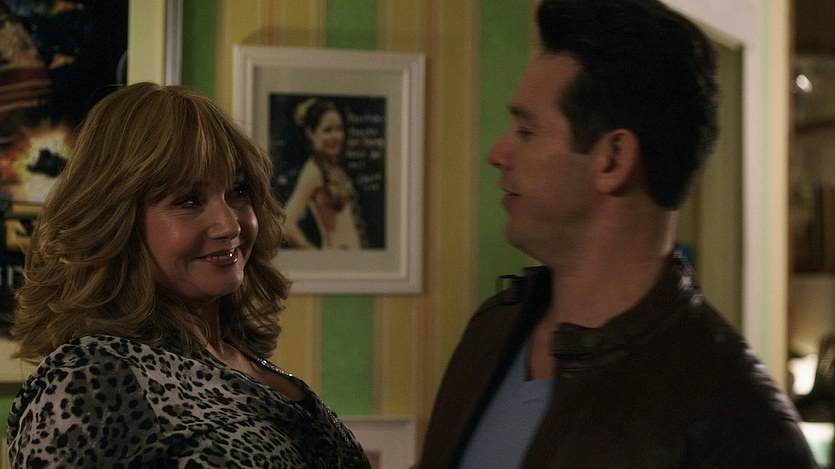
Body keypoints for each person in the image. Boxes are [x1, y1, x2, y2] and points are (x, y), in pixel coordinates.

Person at [418, 1, 818, 468]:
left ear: (613, 159)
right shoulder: (494, 329)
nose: (497, 153)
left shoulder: (738, 422)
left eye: (527, 131)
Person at [5, 82, 371, 468]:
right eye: (189, 200)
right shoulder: (90, 378)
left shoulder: (238, 358)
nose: (230, 224)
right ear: (115, 219)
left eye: (238, 191)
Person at [283, 98, 363, 250]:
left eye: (339, 129)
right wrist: (314, 254)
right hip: (336, 257)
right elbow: (286, 224)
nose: (335, 136)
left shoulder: (332, 166)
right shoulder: (313, 172)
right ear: (311, 133)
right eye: (327, 130)